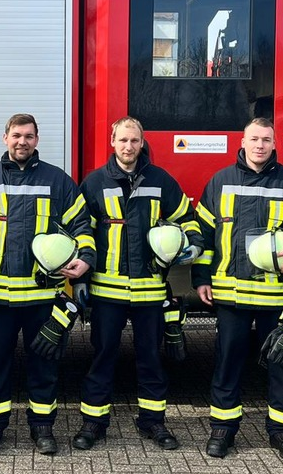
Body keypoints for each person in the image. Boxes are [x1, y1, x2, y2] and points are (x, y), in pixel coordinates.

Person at [193, 117, 283, 461]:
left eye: (266, 140)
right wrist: (201, 277)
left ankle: (282, 432)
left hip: (278, 296)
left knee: (281, 364)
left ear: (274, 144)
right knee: (228, 362)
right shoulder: (220, 182)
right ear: (242, 142)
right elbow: (204, 234)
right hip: (231, 295)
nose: (259, 145)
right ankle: (222, 431)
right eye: (254, 139)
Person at [0, 113, 95, 455]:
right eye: (16, 135)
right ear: (4, 137)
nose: (22, 141)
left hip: (42, 295)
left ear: (37, 140)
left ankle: (43, 429)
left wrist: (85, 259)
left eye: (29, 136)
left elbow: (82, 225)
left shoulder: (58, 181)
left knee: (44, 364)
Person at [73, 116, 203, 451]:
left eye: (134, 141)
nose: (128, 147)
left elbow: (187, 219)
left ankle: (154, 423)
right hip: (106, 291)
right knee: (103, 357)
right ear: (111, 142)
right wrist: (81, 280)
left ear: (142, 143)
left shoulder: (161, 180)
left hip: (150, 290)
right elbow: (81, 232)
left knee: (151, 358)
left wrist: (192, 245)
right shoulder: (94, 182)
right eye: (123, 140)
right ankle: (93, 423)